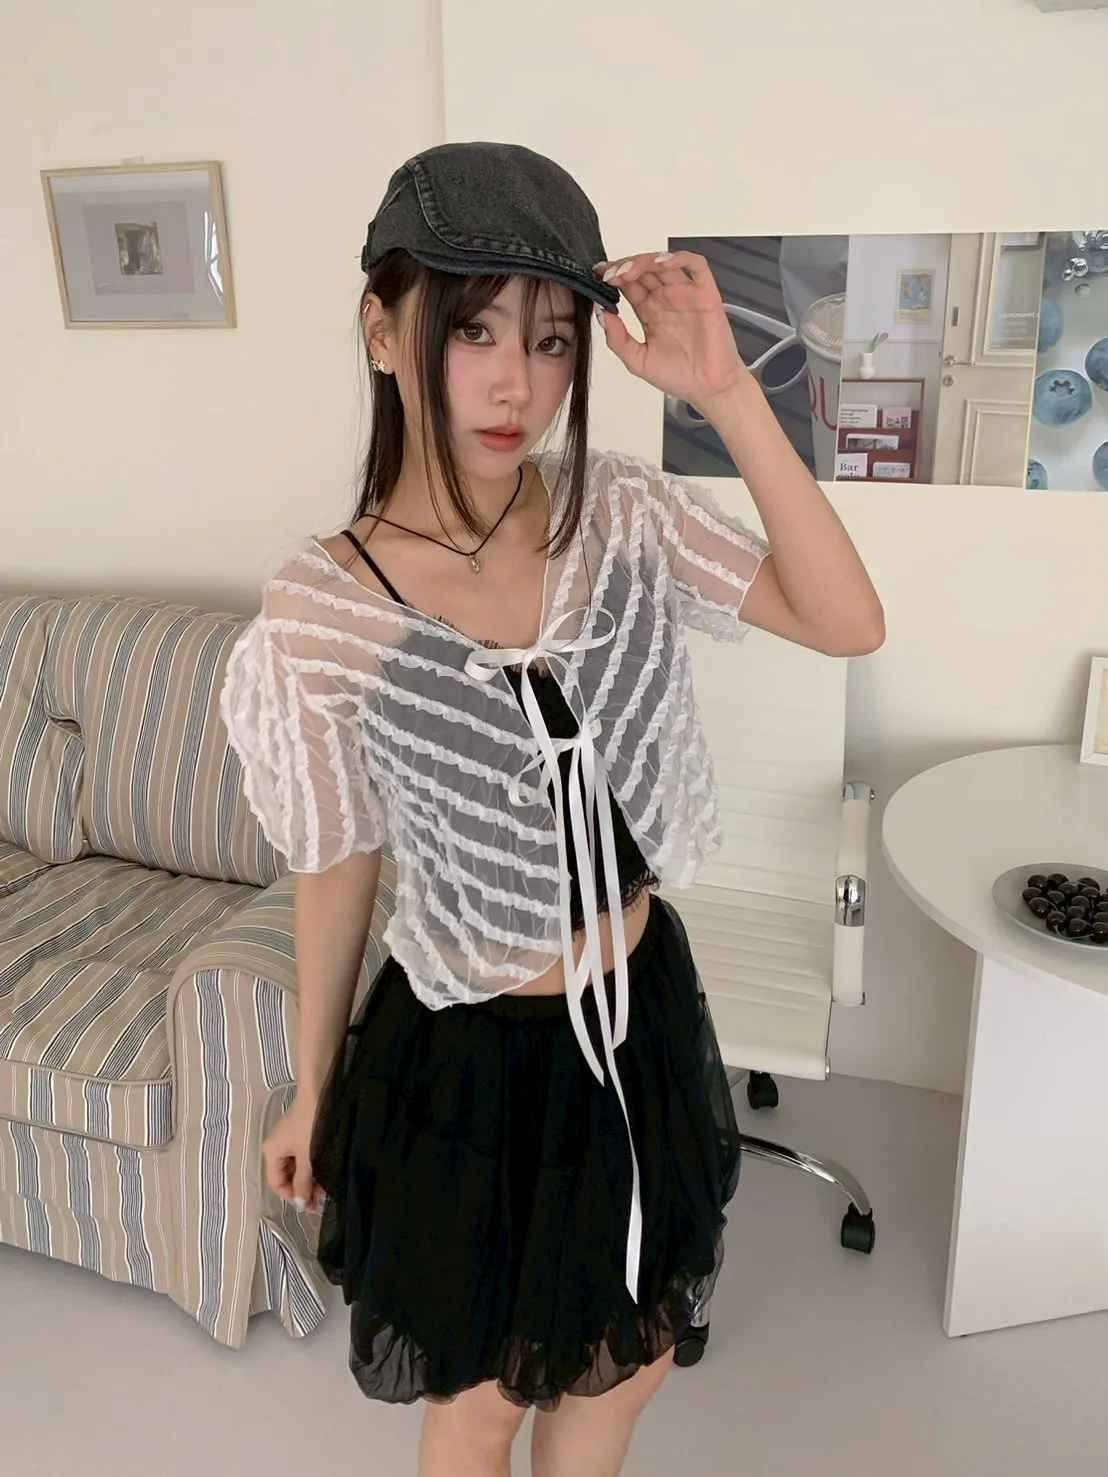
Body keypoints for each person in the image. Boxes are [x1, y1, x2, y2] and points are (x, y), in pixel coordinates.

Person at [220, 142, 883, 1477]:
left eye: (551, 339)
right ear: (384, 329)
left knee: (625, 1368)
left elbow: (845, 619)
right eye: (472, 331)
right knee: (484, 1402)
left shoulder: (619, 514)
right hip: (472, 1063)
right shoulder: (323, 613)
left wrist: (727, 391)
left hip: (641, 1022)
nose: (516, 383)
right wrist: (312, 1086)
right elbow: (337, 867)